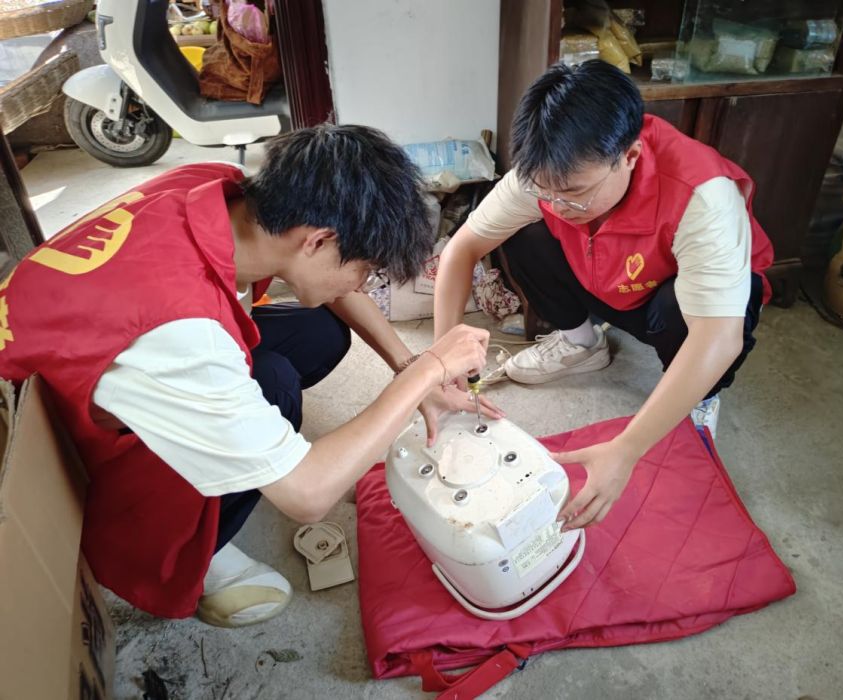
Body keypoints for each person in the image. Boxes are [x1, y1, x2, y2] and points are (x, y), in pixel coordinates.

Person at [0, 125, 499, 627]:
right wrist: (428, 371)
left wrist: (408, 366)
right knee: (275, 385)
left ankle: (238, 451)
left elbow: (332, 286)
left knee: (320, 331)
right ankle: (198, 553)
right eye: (365, 269)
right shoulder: (180, 334)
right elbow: (308, 495)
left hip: (79, 345)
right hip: (59, 459)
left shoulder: (223, 189)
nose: (363, 284)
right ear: (318, 241)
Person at [433, 60, 774, 531]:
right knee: (522, 233)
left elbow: (719, 337)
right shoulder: (545, 175)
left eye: (575, 193)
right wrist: (444, 360)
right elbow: (462, 249)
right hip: (606, 277)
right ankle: (581, 343)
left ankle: (701, 398)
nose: (558, 205)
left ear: (630, 156)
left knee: (684, 315)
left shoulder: (702, 195)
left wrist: (627, 448)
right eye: (546, 193)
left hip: (674, 304)